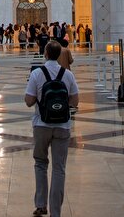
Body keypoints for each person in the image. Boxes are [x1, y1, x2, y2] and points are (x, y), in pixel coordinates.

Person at [24, 41, 79, 217]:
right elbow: (75, 101)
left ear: (46, 53)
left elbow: (28, 101)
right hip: (62, 126)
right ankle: (56, 212)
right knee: (59, 168)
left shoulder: (37, 74)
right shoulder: (68, 74)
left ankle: (41, 205)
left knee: (40, 163)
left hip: (41, 125)